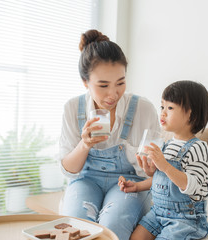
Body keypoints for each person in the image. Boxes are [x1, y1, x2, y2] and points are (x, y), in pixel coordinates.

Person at [58, 29, 160, 240]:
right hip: (86, 181)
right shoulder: (72, 109)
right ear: (85, 82)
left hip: (130, 181)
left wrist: (151, 166)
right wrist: (84, 145)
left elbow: (153, 172)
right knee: (76, 224)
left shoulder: (143, 108)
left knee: (112, 226)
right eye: (103, 85)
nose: (113, 94)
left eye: (120, 83)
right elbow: (69, 170)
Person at [118, 80, 208, 239]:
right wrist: (137, 186)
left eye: (170, 108)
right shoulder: (167, 145)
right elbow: (162, 181)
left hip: (185, 219)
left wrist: (165, 166)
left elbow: (193, 187)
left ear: (190, 114)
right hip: (158, 213)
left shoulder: (198, 148)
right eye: (162, 107)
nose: (162, 113)